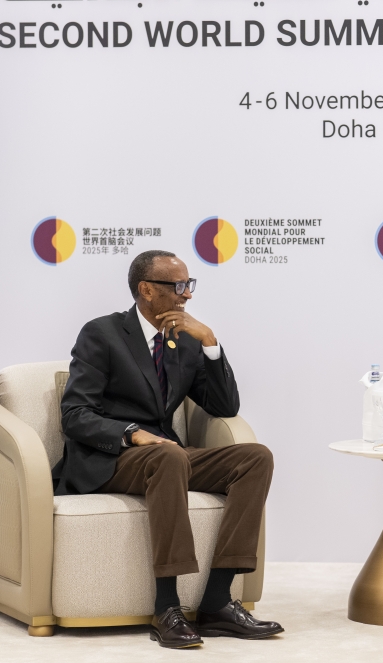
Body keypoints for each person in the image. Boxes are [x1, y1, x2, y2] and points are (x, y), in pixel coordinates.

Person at [53, 249, 283, 649]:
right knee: (169, 454)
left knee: (255, 457)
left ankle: (216, 602)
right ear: (146, 289)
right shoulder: (103, 334)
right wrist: (131, 433)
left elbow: (225, 407)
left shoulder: (186, 342)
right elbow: (74, 414)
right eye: (178, 286)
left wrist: (210, 343)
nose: (187, 295)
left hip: (166, 457)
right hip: (113, 459)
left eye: (188, 285)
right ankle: (166, 607)